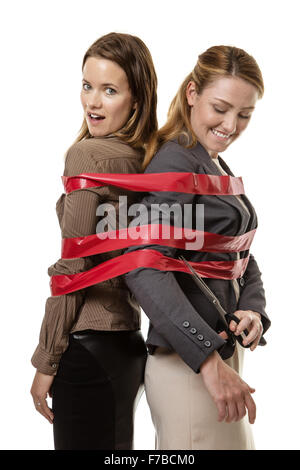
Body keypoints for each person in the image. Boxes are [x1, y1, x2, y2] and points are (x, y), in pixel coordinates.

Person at [123, 45, 271, 450]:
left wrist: (252, 308)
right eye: (220, 108)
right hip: (189, 369)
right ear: (192, 93)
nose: (231, 124)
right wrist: (208, 361)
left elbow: (238, 251)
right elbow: (142, 267)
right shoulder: (177, 162)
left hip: (218, 358)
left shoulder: (209, 160)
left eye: (244, 114)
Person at [30, 32, 157, 450]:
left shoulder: (88, 157)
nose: (93, 102)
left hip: (85, 346)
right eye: (87, 85)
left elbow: (72, 269)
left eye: (109, 90)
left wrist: (46, 359)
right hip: (128, 346)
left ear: (136, 99)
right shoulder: (147, 160)